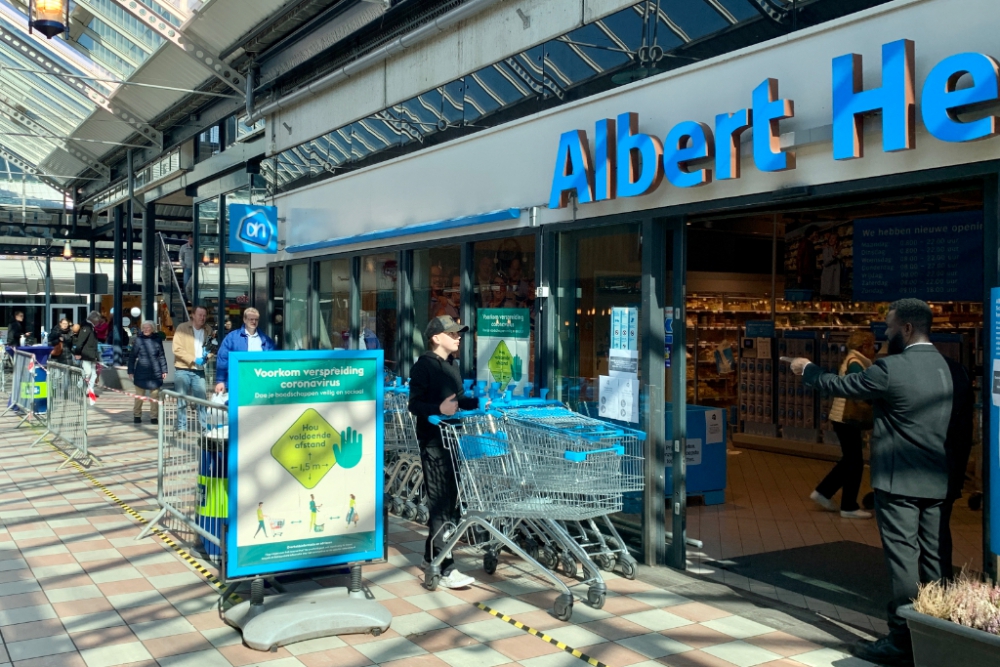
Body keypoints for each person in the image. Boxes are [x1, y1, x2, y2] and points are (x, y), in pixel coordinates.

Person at [787, 299, 972, 667]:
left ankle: (902, 640)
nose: (883, 335)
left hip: (899, 483)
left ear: (905, 329)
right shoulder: (953, 370)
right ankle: (938, 632)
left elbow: (839, 384)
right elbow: (963, 430)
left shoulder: (892, 368)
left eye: (888, 328)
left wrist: (806, 369)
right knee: (936, 560)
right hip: (938, 483)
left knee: (904, 562)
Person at [408, 315, 479, 589]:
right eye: (452, 334)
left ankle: (430, 557)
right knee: (440, 504)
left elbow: (458, 399)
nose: (458, 337)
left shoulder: (453, 365)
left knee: (450, 504)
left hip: (453, 440)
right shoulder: (423, 366)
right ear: (436, 338)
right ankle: (445, 568)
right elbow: (414, 405)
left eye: (459, 334)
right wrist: (438, 410)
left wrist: (479, 401)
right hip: (433, 443)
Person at [810, 331, 875, 519]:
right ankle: (848, 506)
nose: (874, 350)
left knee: (850, 460)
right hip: (847, 417)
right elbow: (862, 388)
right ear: (864, 346)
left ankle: (824, 492)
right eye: (872, 345)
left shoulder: (854, 359)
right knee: (854, 462)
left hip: (842, 417)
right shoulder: (856, 362)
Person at [214, 308, 276, 395]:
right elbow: (223, 359)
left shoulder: (265, 340)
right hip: (238, 383)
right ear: (244, 320)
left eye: (256, 319)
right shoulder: (232, 337)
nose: (254, 322)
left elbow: (273, 362)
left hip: (259, 383)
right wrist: (220, 381)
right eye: (251, 319)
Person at [172, 305, 214, 432]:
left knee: (201, 400)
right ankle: (182, 427)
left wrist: (208, 356)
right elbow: (176, 349)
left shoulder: (208, 330)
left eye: (204, 315)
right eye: (200, 315)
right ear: (193, 315)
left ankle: (204, 427)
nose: (202, 318)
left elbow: (212, 347)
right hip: (183, 368)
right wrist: (193, 359)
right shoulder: (182, 328)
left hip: (199, 370)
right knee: (182, 399)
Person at [128, 321, 167, 425]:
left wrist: (164, 370)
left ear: (152, 328)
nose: (146, 329)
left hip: (155, 371)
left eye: (148, 327)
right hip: (141, 371)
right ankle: (137, 415)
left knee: (155, 396)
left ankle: (154, 417)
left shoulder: (158, 340)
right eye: (144, 327)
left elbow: (161, 356)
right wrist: (130, 371)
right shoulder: (138, 340)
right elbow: (132, 357)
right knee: (139, 396)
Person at [73, 311, 101, 405]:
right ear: (94, 319)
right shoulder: (87, 327)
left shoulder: (91, 327)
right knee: (88, 373)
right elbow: (80, 341)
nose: (99, 322)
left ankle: (90, 390)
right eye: (98, 320)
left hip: (91, 355)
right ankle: (80, 384)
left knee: (94, 375)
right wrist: (77, 353)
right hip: (86, 354)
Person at [179, 234, 194, 299]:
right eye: (190, 240)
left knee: (192, 284)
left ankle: (192, 296)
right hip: (187, 268)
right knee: (185, 282)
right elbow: (180, 257)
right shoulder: (183, 247)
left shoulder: (197, 247)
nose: (191, 242)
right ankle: (186, 297)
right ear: (188, 239)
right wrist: (183, 264)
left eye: (192, 241)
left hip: (195, 269)